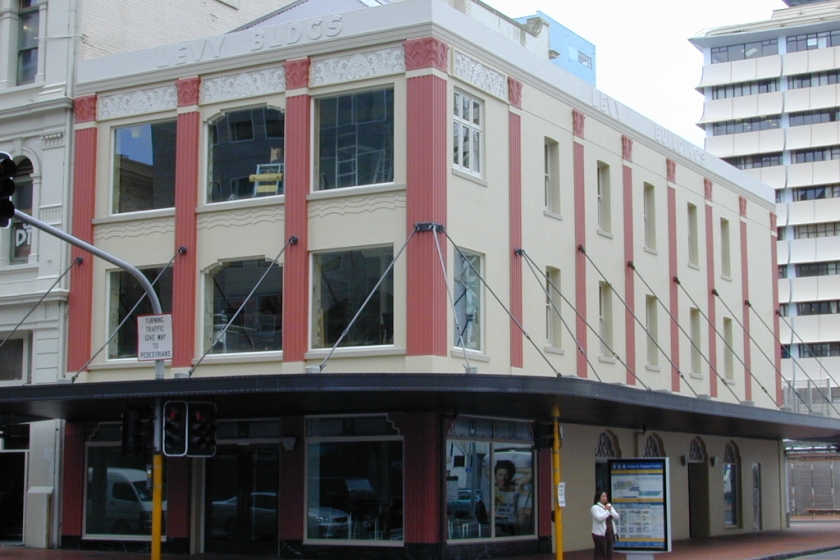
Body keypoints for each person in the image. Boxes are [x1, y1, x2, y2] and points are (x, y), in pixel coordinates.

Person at [493, 459, 532, 536]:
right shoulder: (492, 487)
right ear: (496, 475)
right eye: (500, 475)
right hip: (500, 520)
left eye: (506, 474)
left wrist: (513, 470)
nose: (503, 478)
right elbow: (487, 470)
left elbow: (533, 472)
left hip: (515, 521)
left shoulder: (516, 485)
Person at [591, 489, 619, 560]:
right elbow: (599, 518)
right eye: (603, 496)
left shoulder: (609, 506)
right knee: (601, 552)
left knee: (609, 552)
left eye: (605, 496)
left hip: (610, 532)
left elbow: (616, 516)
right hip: (600, 534)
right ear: (598, 498)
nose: (605, 498)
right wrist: (606, 511)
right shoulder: (595, 507)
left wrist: (610, 510)